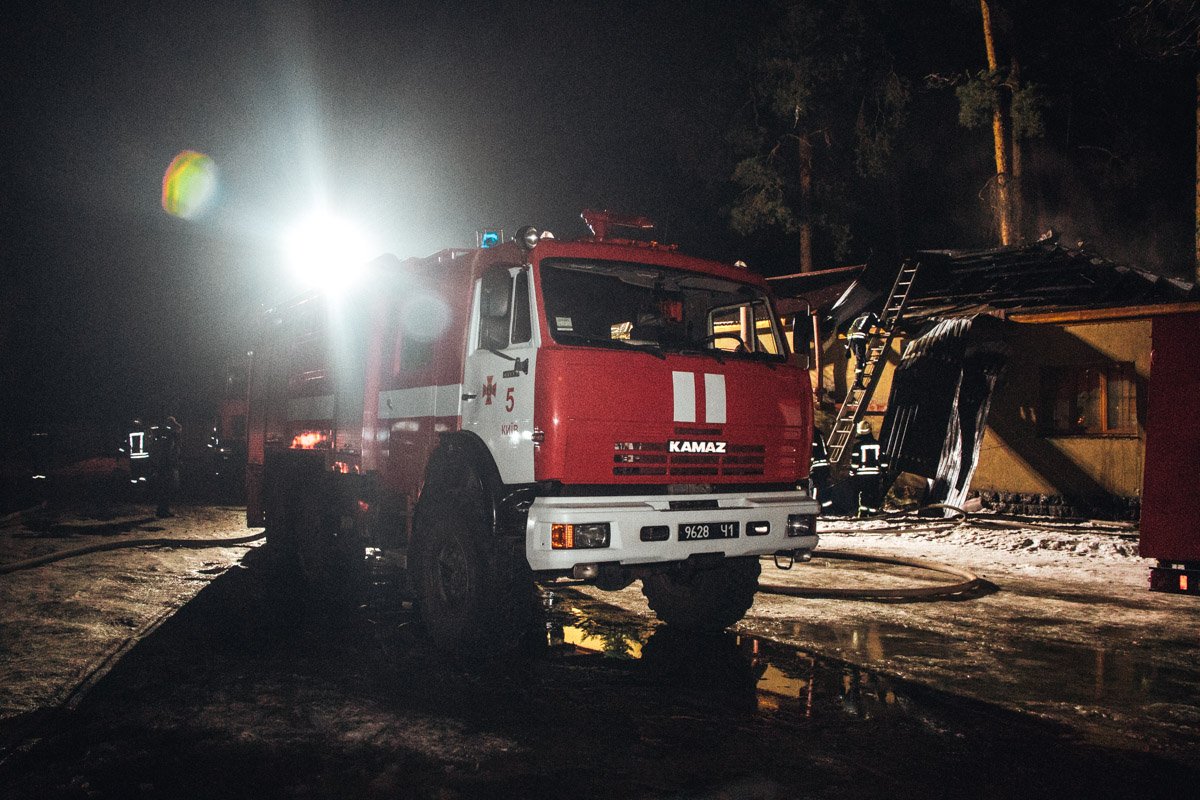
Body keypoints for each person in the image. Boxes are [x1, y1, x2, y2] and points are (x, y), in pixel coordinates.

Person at [151, 416, 182, 517]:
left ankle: (163, 510)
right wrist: (172, 462)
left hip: (164, 465)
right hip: (167, 466)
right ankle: (163, 510)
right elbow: (169, 452)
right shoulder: (169, 436)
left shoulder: (165, 435)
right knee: (167, 488)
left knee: (165, 488)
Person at [849, 420, 882, 516]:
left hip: (862, 476)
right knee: (874, 493)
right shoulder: (877, 444)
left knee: (863, 494)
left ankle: (863, 513)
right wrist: (884, 471)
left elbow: (855, 463)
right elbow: (883, 460)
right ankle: (873, 513)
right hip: (875, 475)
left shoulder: (857, 446)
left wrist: (852, 473)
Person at [845, 312, 878, 389]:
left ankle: (857, 374)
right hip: (859, 339)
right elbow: (879, 323)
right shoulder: (870, 317)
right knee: (861, 360)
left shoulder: (857, 319)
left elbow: (861, 330)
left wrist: (874, 335)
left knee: (858, 359)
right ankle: (858, 382)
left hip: (850, 339)